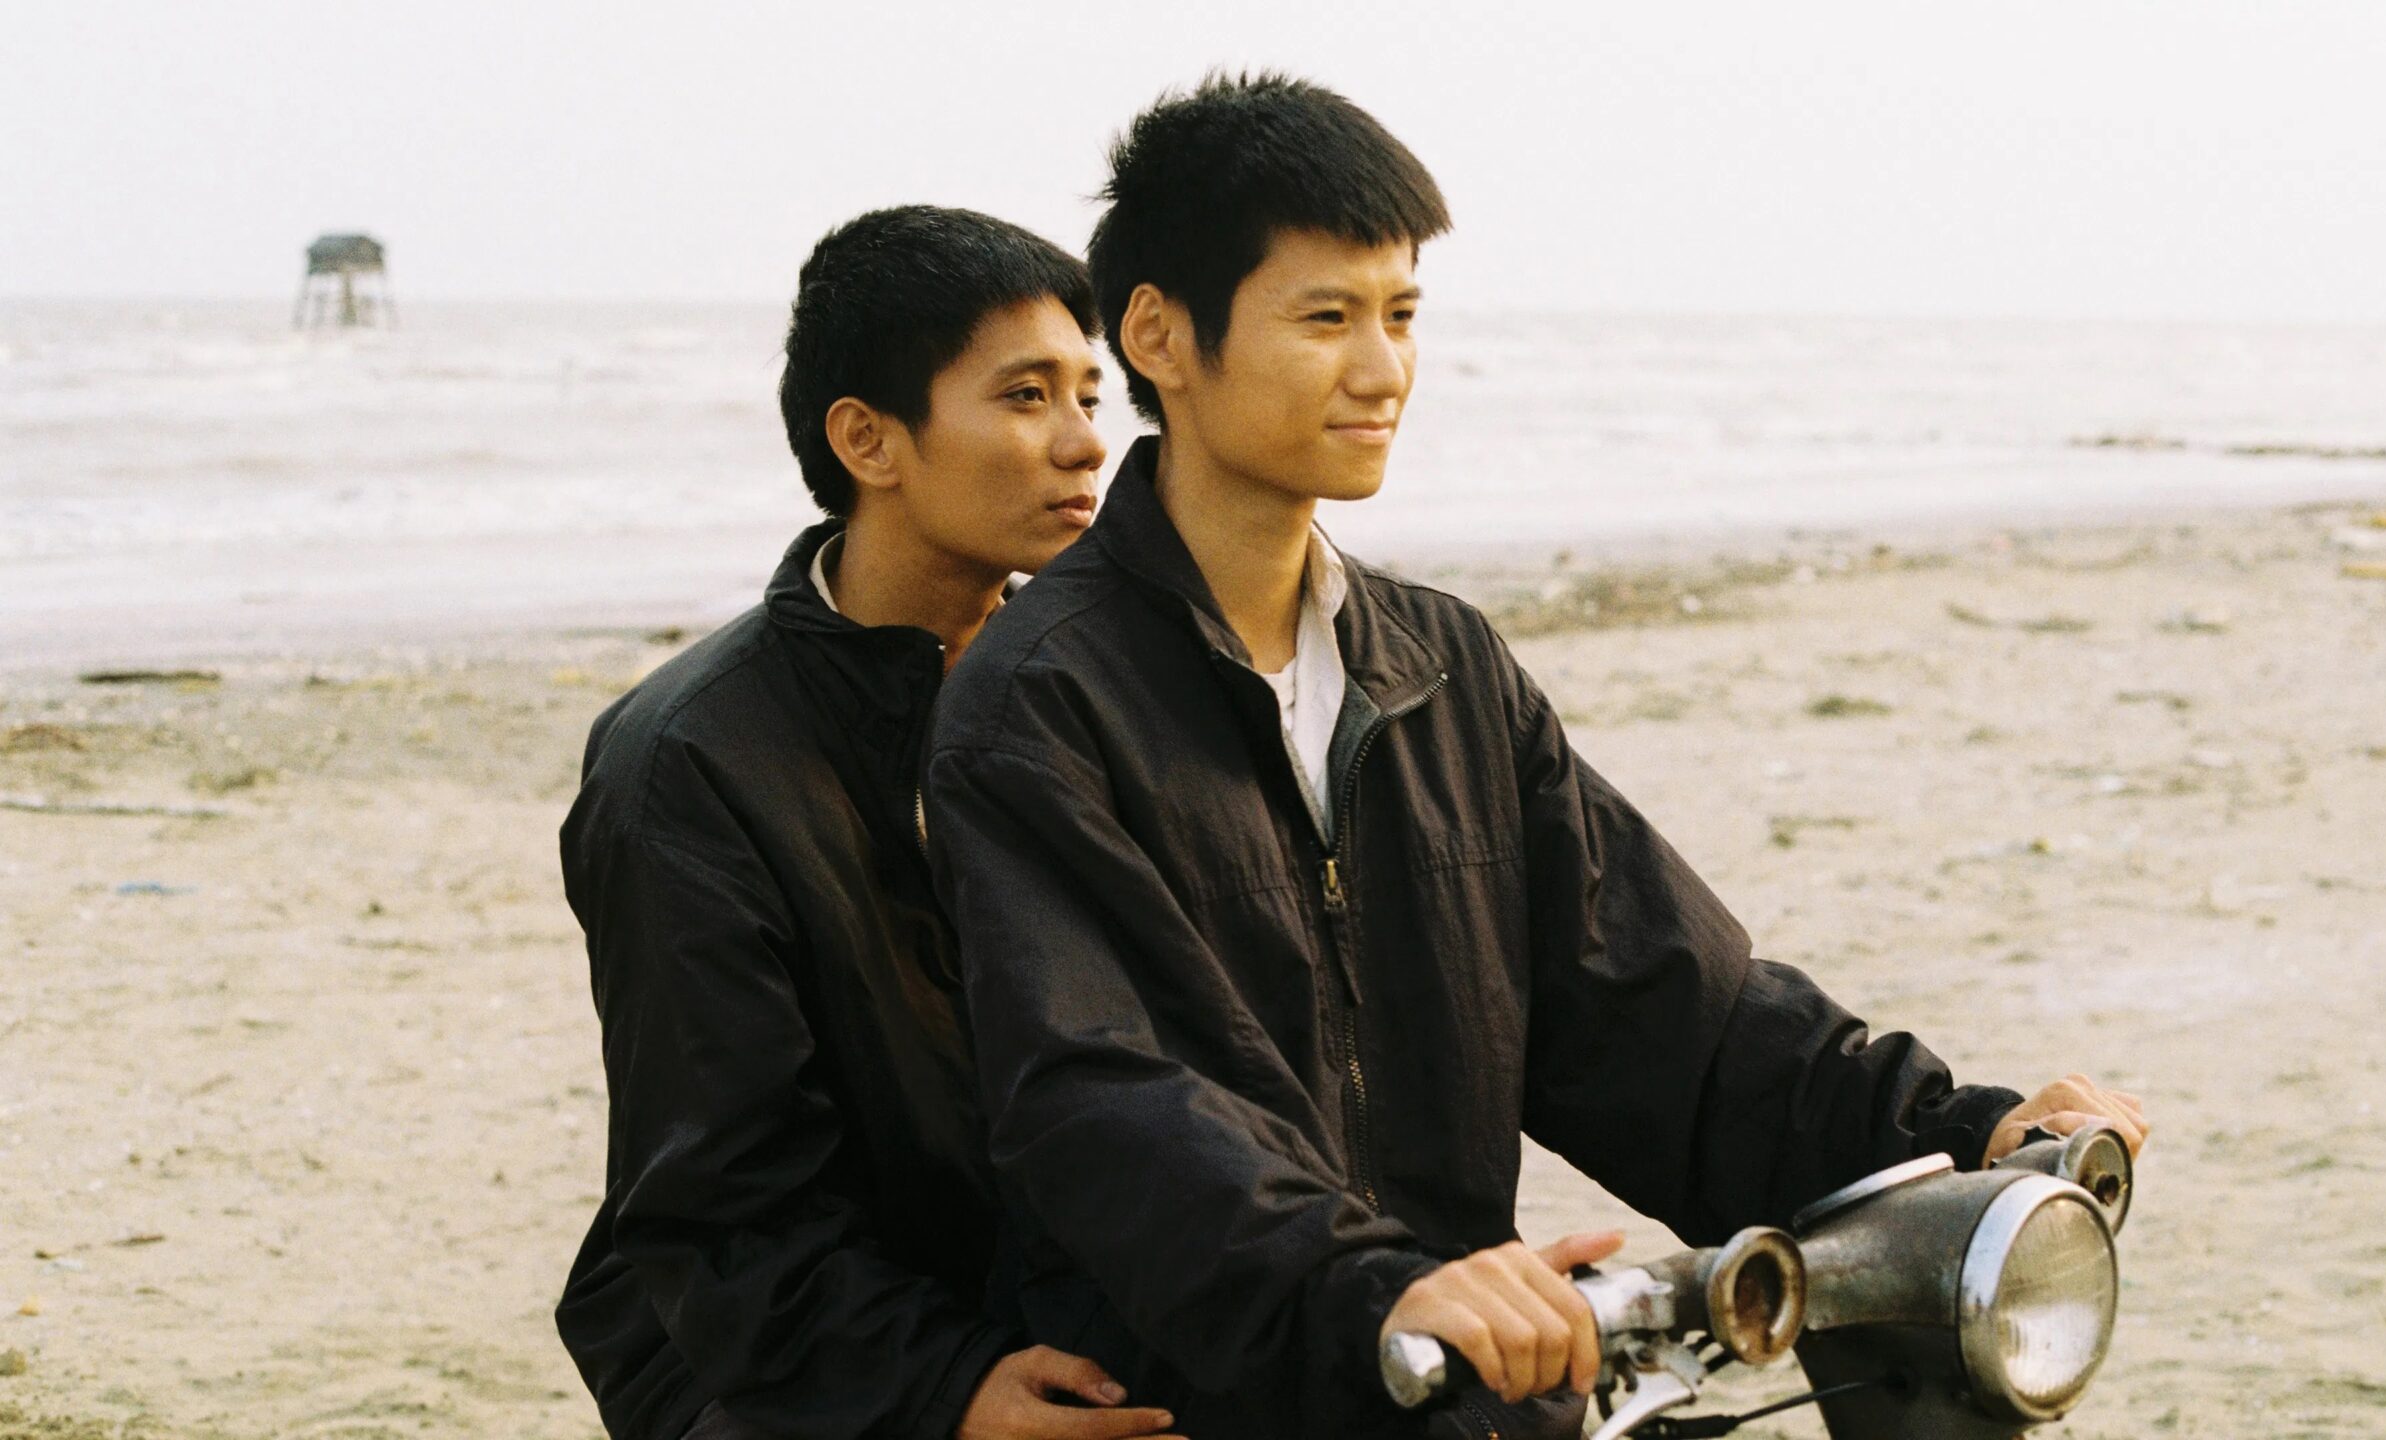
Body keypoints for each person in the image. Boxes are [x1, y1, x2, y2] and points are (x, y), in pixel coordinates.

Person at [924, 75, 2149, 1440]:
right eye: (1326, 318)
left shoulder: (1442, 666)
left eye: (1400, 316)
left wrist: (1956, 1132)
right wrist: (1366, 1283)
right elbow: (1102, 1094)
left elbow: (1670, 1010)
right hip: (1204, 1396)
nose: (1382, 370)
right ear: (1160, 335)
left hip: (1482, 1386)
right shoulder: (1038, 699)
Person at [556, 206, 1179, 1440]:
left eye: (1089, 395)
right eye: (1024, 397)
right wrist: (952, 1389)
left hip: (1060, 1305)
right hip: (772, 1359)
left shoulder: (1103, 694)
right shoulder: (689, 760)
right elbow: (724, 1202)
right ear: (868, 439)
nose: (1083, 443)